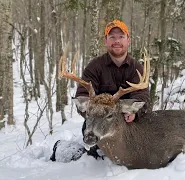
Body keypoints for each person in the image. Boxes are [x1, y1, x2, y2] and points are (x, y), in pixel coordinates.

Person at [50, 20, 150, 162]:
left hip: (127, 124)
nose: (117, 41)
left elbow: (142, 97)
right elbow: (82, 95)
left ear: (128, 40)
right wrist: (91, 111)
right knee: (95, 157)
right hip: (97, 120)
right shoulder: (95, 66)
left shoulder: (137, 68)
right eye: (112, 37)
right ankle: (65, 149)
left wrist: (134, 112)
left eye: (121, 37)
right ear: (106, 41)